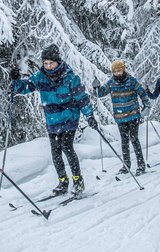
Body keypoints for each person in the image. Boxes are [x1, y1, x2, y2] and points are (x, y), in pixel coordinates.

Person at [11, 44, 96, 197]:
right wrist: (16, 80)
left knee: (66, 146)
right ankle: (63, 181)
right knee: (55, 151)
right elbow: (24, 88)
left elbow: (82, 98)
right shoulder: (39, 77)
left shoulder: (70, 77)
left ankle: (78, 181)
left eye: (51, 63)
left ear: (58, 62)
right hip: (52, 120)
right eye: (45, 63)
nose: (48, 66)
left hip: (69, 116)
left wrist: (89, 115)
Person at [92, 59, 150, 176]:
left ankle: (141, 165)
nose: (118, 73)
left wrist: (146, 106)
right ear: (113, 72)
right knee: (124, 142)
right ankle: (126, 165)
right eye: (115, 71)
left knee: (134, 140)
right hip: (120, 117)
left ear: (123, 70)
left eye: (120, 70)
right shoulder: (111, 83)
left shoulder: (131, 81)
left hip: (133, 115)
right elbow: (101, 93)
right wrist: (96, 88)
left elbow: (142, 93)